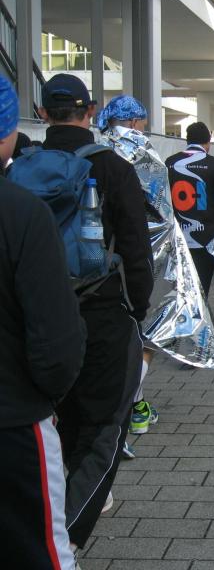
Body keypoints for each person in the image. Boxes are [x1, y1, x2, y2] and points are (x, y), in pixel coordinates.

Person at [36, 73, 154, 552]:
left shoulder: (22, 165)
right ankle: (61, 543)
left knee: (60, 416)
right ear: (90, 112)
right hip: (102, 308)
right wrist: (137, 309)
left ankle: (57, 510)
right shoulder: (113, 168)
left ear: (42, 113)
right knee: (106, 428)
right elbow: (137, 249)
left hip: (41, 314)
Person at [0, 76, 85, 570]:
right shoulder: (23, 213)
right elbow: (55, 333)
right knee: (43, 550)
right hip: (14, 418)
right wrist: (49, 395)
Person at [96, 95, 160, 450]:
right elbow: (157, 211)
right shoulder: (139, 152)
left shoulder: (95, 149)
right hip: (132, 261)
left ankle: (131, 408)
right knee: (142, 338)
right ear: (134, 122)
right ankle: (130, 412)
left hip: (90, 263)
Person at [166, 121, 214, 296]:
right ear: (208, 143)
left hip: (177, 235)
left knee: (180, 288)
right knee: (201, 289)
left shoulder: (170, 162)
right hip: (205, 237)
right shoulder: (213, 164)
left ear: (187, 140)